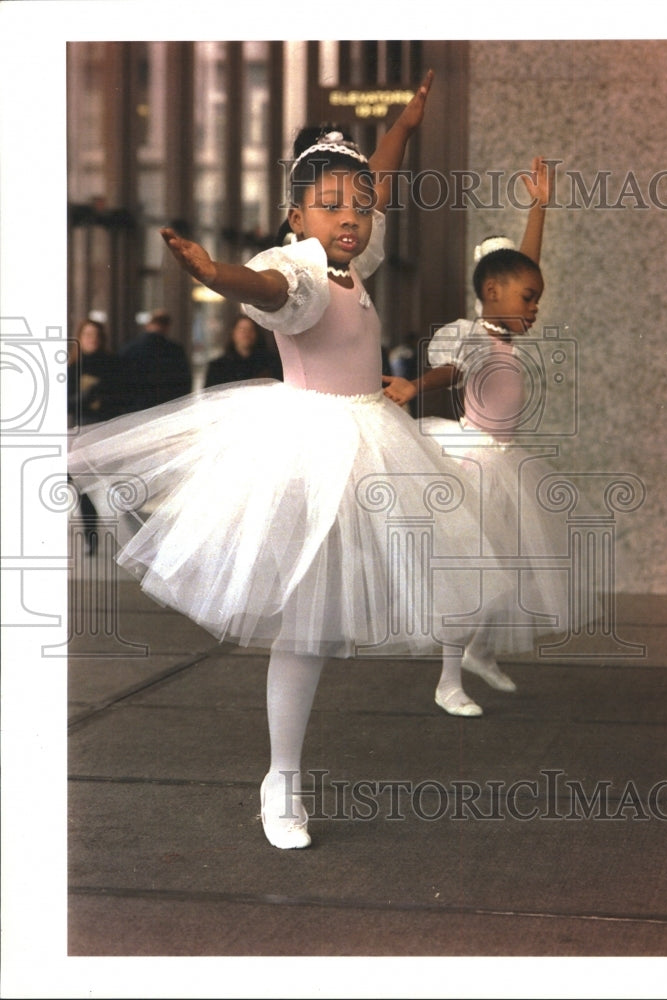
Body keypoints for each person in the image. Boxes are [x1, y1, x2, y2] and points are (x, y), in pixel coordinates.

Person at [70, 72, 501, 850]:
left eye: (361, 207)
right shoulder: (299, 269)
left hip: (369, 443)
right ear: (294, 215)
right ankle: (284, 780)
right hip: (306, 452)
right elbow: (265, 287)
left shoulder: (350, 266)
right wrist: (212, 274)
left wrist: (405, 123)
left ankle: (372, 718)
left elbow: (381, 172)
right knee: (303, 628)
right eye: (332, 206)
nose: (352, 218)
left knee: (372, 602)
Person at [382, 159, 567, 717]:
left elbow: (523, 266)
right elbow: (453, 371)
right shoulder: (473, 334)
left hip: (505, 462)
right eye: (527, 299)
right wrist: (415, 384)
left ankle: (479, 653)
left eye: (535, 298)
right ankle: (446, 679)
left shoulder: (503, 328)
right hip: (473, 461)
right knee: (467, 570)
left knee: (505, 565)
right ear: (493, 292)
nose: (534, 308)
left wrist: (539, 206)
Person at [67, 317, 126, 554]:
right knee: (83, 485)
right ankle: (91, 536)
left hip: (105, 431)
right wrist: (83, 398)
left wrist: (102, 398)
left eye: (95, 335)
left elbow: (122, 397)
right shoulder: (72, 367)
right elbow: (65, 403)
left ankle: (120, 538)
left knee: (105, 485)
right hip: (80, 432)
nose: (91, 339)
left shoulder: (113, 365)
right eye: (87, 334)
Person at [119, 309, 192, 412]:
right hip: (166, 408)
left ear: (148, 325)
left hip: (136, 408)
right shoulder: (175, 350)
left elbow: (120, 382)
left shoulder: (129, 349)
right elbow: (184, 383)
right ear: (167, 327)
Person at [204, 314, 283, 387]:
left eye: (250, 330)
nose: (246, 334)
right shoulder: (218, 367)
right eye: (242, 330)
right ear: (233, 333)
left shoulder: (270, 363)